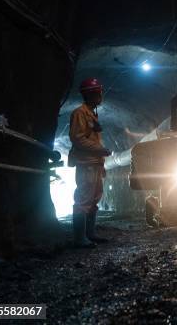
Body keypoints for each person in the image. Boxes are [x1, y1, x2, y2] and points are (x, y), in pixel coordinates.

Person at [68, 78, 111, 248]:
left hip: (94, 163)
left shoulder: (90, 113)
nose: (101, 95)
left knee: (94, 198)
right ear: (91, 94)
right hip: (86, 163)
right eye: (98, 92)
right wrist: (100, 150)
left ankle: (90, 234)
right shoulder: (80, 113)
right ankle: (79, 239)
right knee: (83, 198)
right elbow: (77, 139)